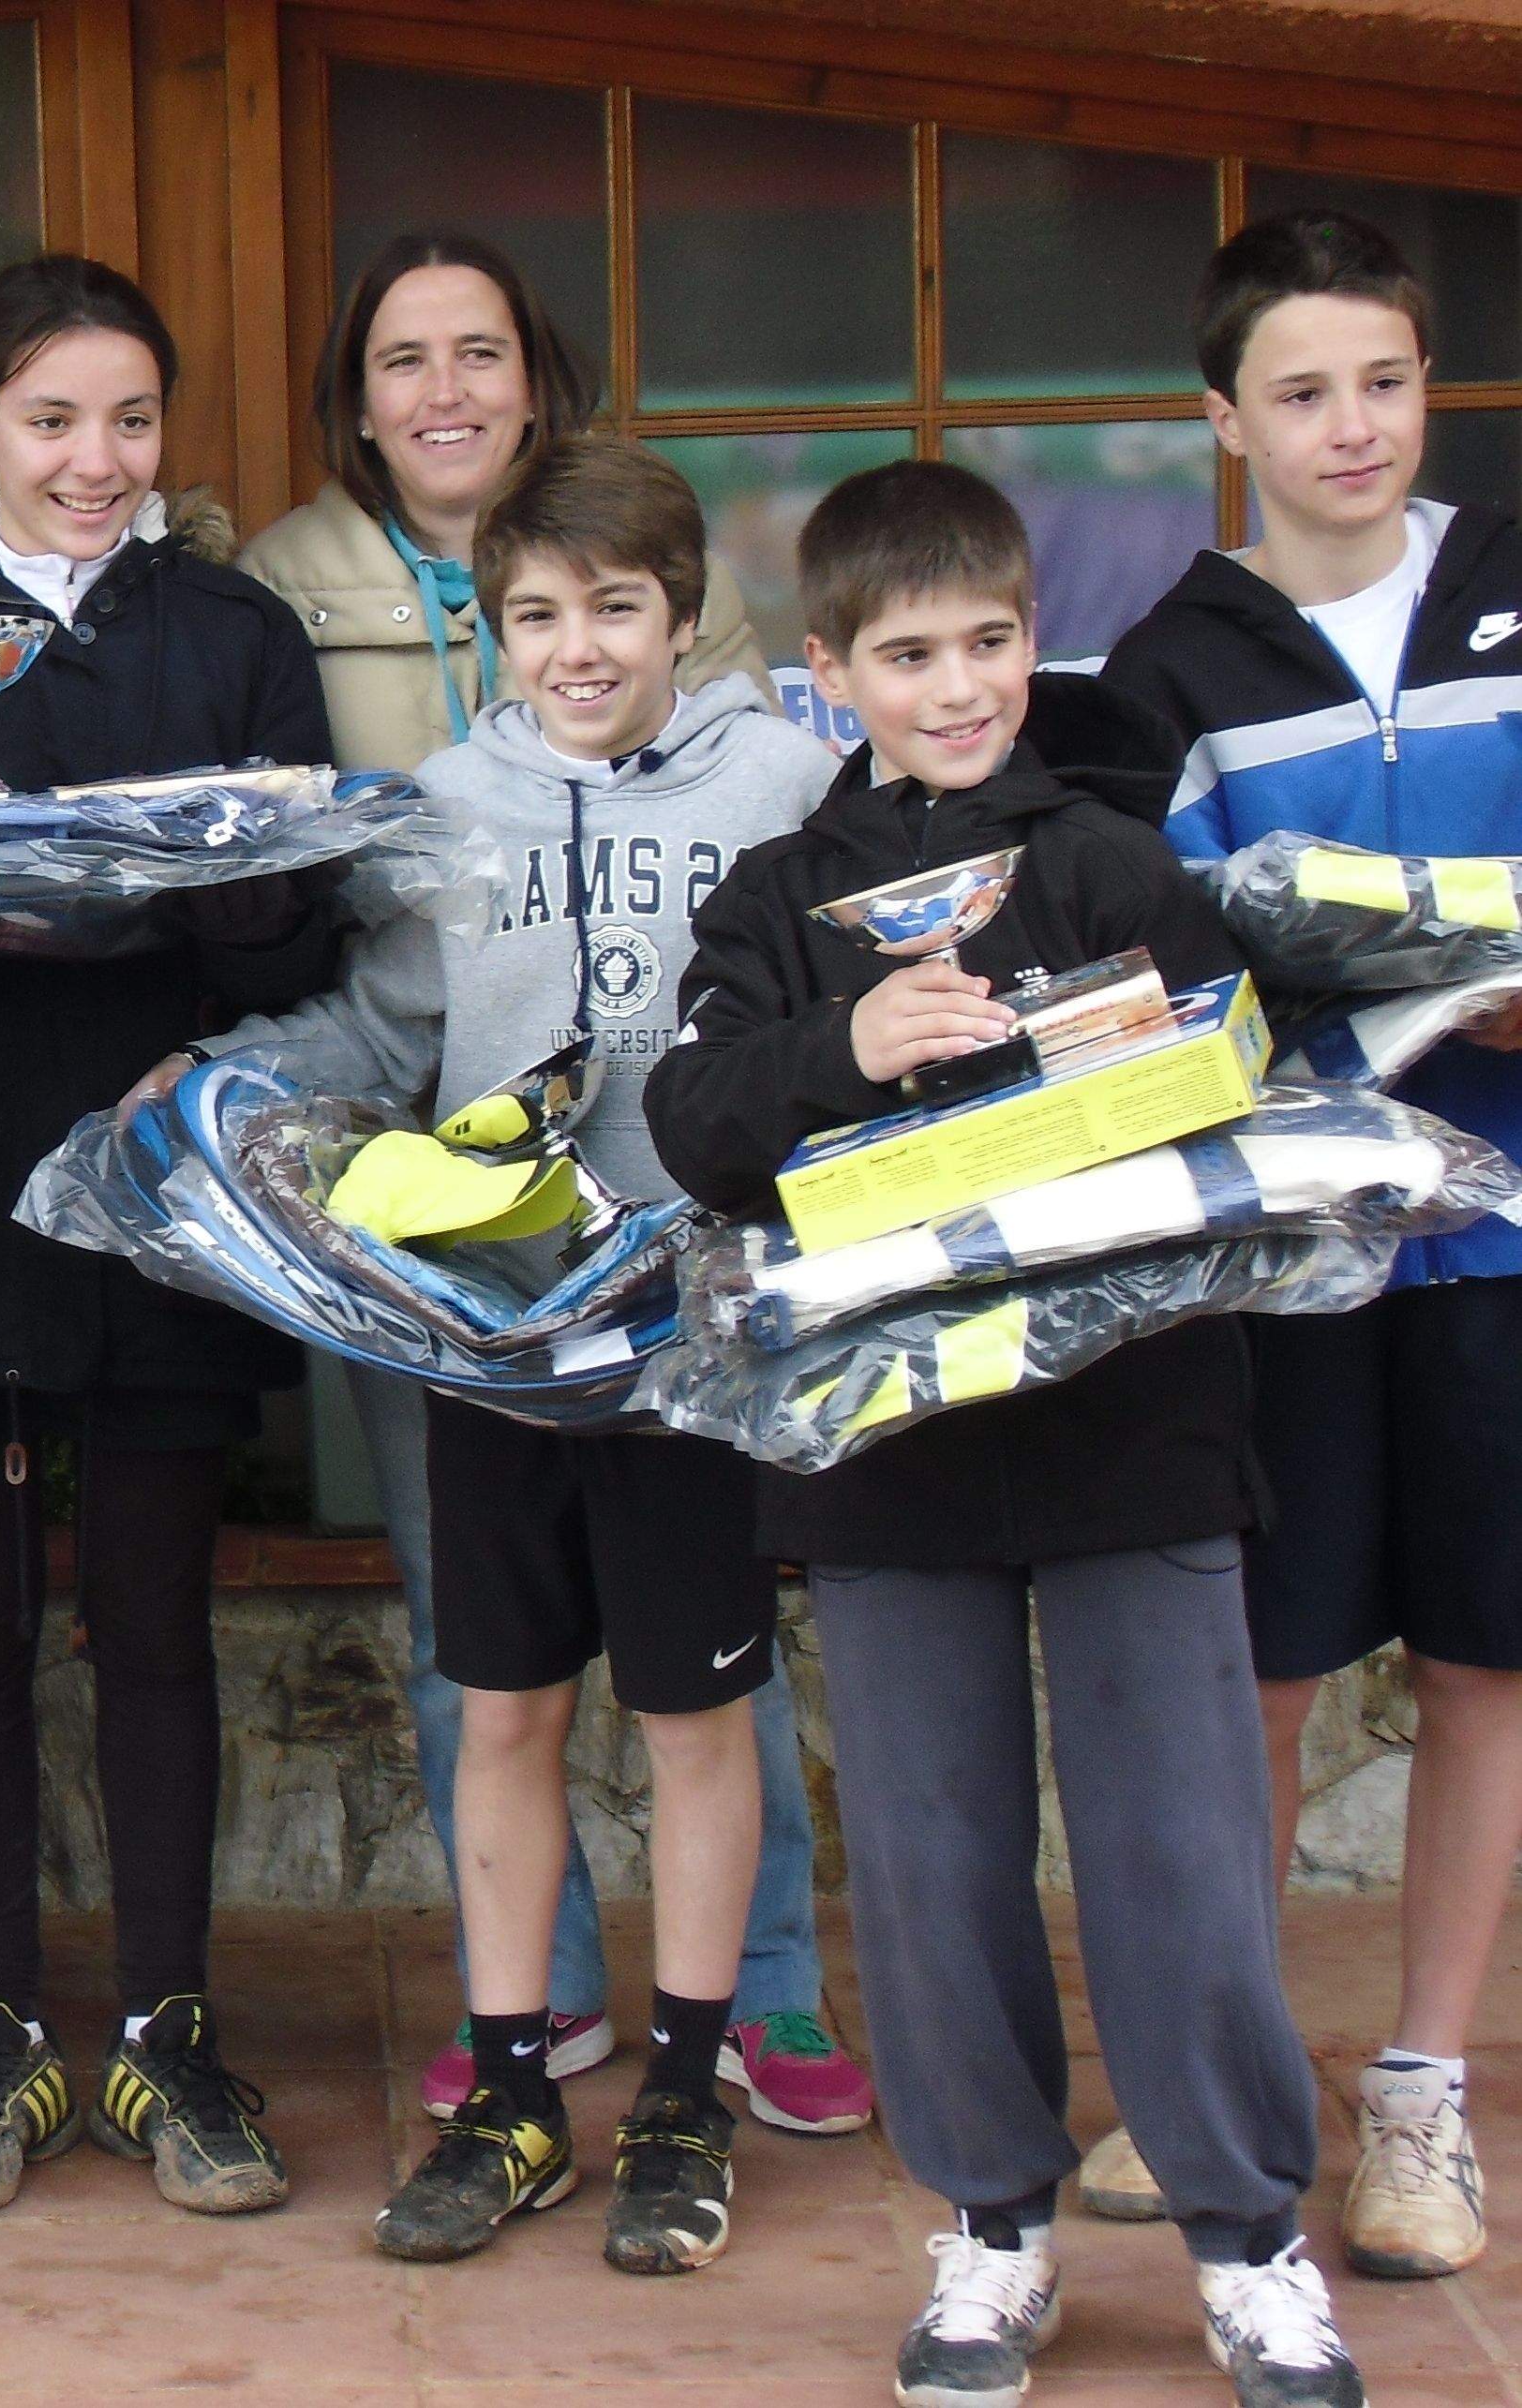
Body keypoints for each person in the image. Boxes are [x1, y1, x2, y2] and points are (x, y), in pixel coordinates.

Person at [646, 460, 1363, 2408]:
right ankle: (990, 2233)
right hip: (891, 1465)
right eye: (905, 653)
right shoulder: (782, 901)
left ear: (1026, 638)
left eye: (984, 643)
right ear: (826, 673)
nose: (955, 686)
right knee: (935, 1858)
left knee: (1179, 1857)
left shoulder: (1116, 860)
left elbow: (1243, 1069)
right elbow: (692, 1121)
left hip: (1141, 1444)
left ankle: (1247, 2236)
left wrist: (1094, 1048)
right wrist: (847, 1051)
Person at [237, 230, 866, 2140]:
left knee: (709, 1675)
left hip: (694, 1306)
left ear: (683, 611)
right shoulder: (444, 796)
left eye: (616, 609)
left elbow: (840, 995)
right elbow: (384, 1013)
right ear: (492, 625)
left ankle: (749, 2010)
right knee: (485, 1668)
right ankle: (533, 2019)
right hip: (482, 1310)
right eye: (539, 615)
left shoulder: (771, 784)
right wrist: (226, 1102)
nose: (578, 644)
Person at [0, 255, 340, 2223]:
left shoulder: (233, 629)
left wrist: (174, 890)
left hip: (166, 1179)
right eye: (48, 421)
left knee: (155, 1619)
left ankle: (173, 2030)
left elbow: (304, 914)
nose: (91, 461)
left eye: (127, 420)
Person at [1095, 210, 1522, 2285]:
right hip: (1291, 1247)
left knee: (1481, 1659)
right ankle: (1215, 2072)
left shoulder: (1518, 578)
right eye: (1300, 390)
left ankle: (1425, 2092)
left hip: (1510, 1237)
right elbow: (1149, 976)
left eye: (1383, 379)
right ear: (1222, 418)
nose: (1348, 426)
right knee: (1254, 1674)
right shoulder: (1169, 660)